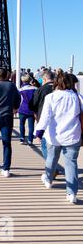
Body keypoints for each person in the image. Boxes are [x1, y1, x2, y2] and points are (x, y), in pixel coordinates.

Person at [35, 72, 83, 204]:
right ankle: (72, 193)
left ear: (57, 82)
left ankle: (49, 179)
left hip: (54, 135)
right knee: (71, 163)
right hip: (73, 134)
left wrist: (38, 132)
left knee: (51, 158)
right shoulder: (78, 97)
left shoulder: (51, 97)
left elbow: (45, 117)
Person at [29, 70, 64, 177]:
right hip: (61, 122)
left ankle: (52, 169)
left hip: (43, 121)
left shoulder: (40, 90)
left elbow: (32, 105)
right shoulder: (60, 89)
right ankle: (54, 167)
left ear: (44, 79)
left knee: (45, 146)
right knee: (57, 147)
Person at [18, 75, 37, 145]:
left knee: (21, 124)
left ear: (22, 81)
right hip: (32, 110)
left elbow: (18, 100)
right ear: (30, 80)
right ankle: (30, 140)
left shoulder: (20, 90)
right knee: (31, 125)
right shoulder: (35, 89)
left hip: (22, 109)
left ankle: (22, 138)